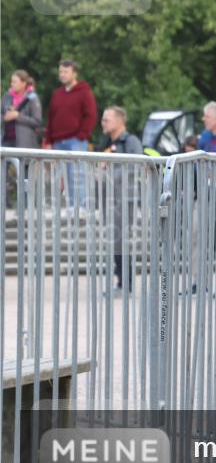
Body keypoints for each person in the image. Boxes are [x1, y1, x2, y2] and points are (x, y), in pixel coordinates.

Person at [98, 106, 143, 295]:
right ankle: (121, 281)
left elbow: (136, 165)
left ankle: (126, 284)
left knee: (121, 240)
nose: (103, 122)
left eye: (107, 119)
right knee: (115, 240)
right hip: (110, 198)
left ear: (120, 121)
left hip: (126, 198)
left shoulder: (130, 141)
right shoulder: (107, 142)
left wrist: (108, 168)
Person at [45, 59, 97, 206]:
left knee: (77, 176)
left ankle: (80, 210)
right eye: (60, 71)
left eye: (66, 71)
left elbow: (91, 115)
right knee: (61, 177)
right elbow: (51, 117)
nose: (62, 74)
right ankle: (69, 208)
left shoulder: (84, 92)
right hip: (58, 141)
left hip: (76, 141)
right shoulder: (57, 94)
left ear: (74, 73)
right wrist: (48, 140)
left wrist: (82, 135)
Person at [2, 70, 43, 148]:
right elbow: (1, 113)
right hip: (6, 142)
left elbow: (37, 121)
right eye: (11, 81)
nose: (12, 84)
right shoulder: (7, 96)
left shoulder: (32, 98)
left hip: (24, 144)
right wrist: (4, 117)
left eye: (15, 82)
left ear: (23, 83)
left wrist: (17, 116)